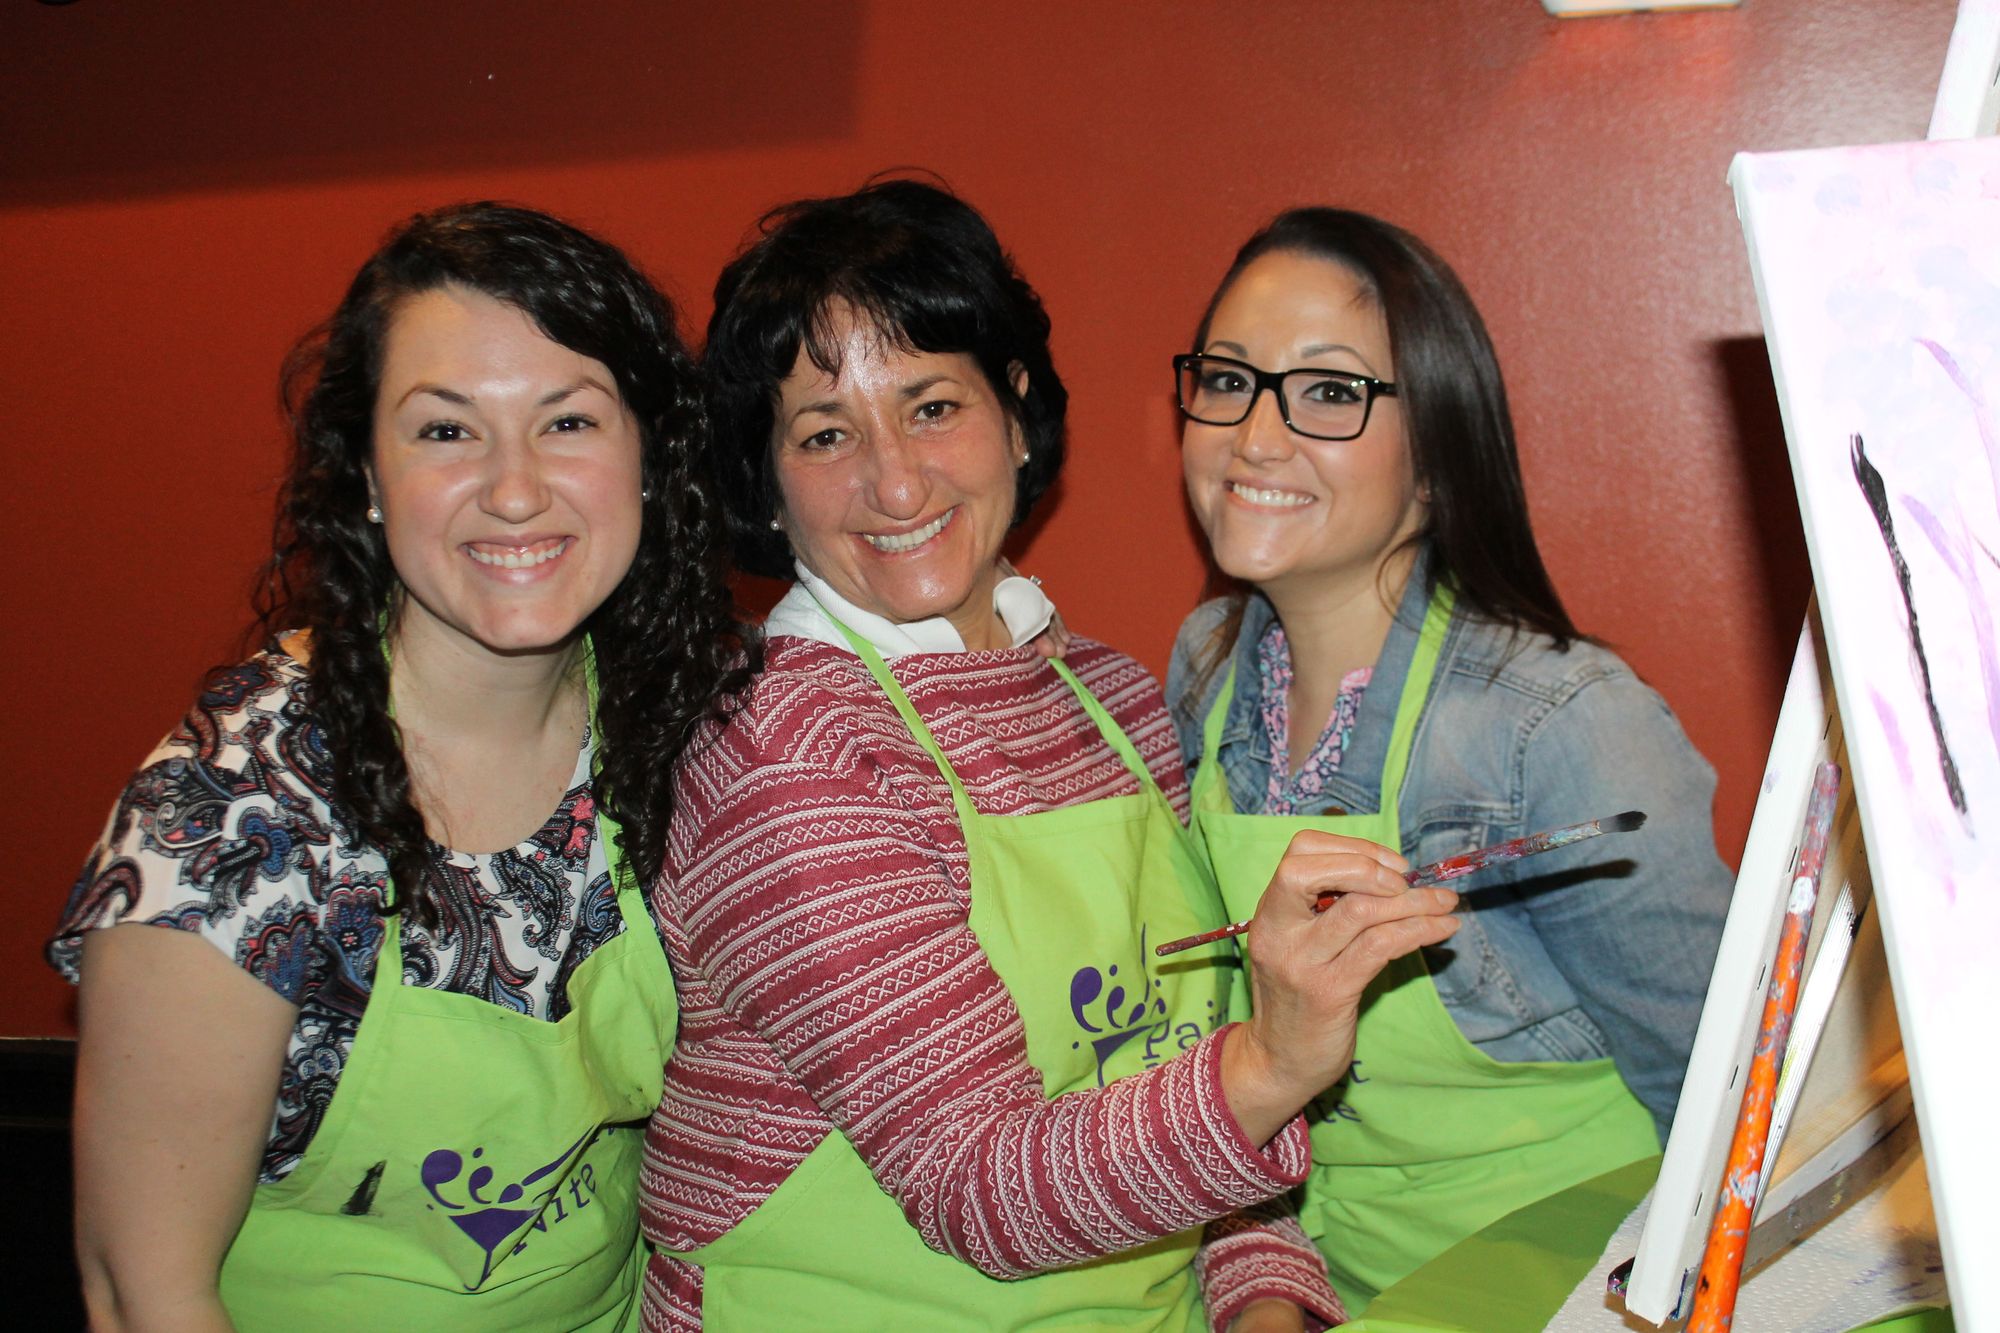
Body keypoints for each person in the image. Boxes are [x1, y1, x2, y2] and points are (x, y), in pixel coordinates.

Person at [638, 179, 1460, 1333]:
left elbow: (1187, 1074)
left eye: (931, 406)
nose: (894, 479)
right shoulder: (779, 756)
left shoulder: (1111, 697)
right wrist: (1275, 1060)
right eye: (826, 433)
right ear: (769, 489)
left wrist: (1264, 1304)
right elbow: (978, 1187)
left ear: (1016, 411)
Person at [51, 202, 752, 1330]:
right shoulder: (238, 809)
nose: (514, 488)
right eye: (444, 431)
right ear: (368, 480)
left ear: (644, 458)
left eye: (567, 422)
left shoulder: (677, 727)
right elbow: (144, 1292)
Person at [1166, 207, 1734, 1315]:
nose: (1254, 436)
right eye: (1227, 380)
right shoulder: (1206, 668)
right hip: (1328, 1276)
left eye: (1329, 392)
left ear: (1437, 452)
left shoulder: (1556, 725)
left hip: (1572, 1281)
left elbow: (1721, 1108)